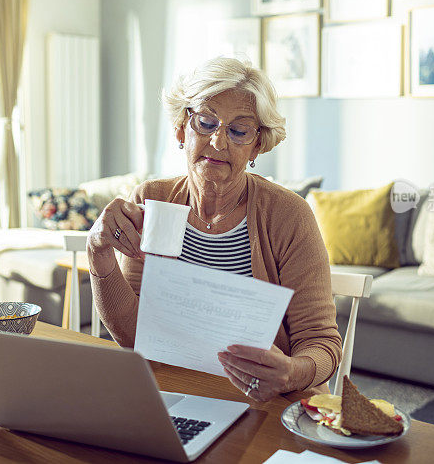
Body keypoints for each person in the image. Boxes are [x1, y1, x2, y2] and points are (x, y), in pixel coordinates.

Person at [87, 56, 342, 401]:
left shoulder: (288, 215)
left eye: (238, 131)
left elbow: (322, 343)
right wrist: (97, 252)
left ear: (256, 145)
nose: (219, 142)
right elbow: (135, 336)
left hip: (265, 404)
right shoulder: (152, 200)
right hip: (176, 392)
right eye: (206, 123)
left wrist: (291, 374)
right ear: (181, 129)